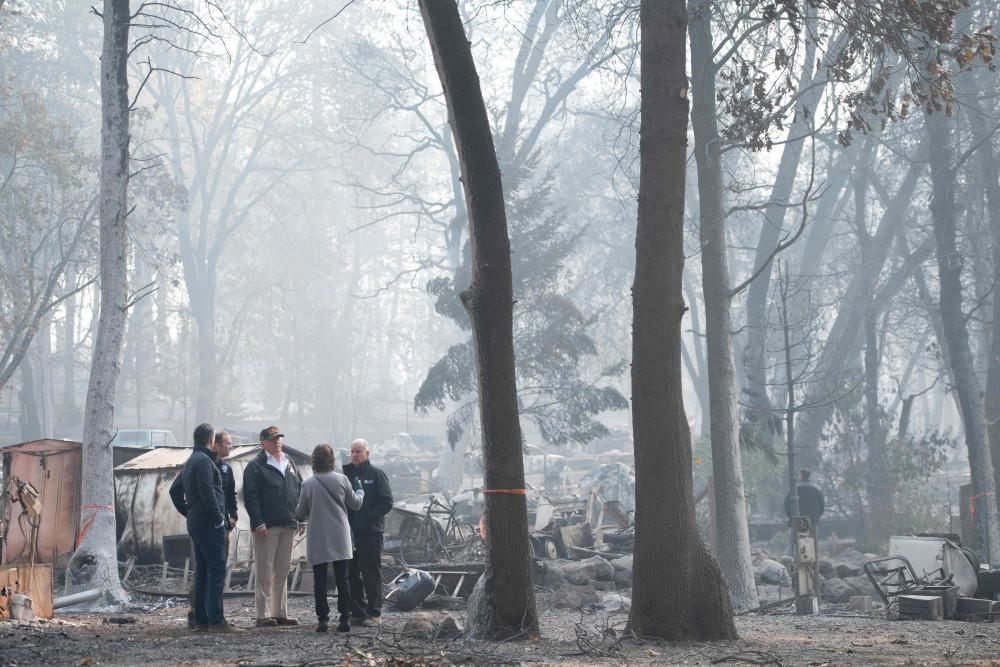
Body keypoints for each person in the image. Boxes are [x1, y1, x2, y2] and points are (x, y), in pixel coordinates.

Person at [168, 423, 243, 633]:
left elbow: (174, 491)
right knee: (215, 572)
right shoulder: (204, 463)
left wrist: (190, 512)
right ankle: (216, 621)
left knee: (202, 572)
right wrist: (219, 519)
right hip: (210, 526)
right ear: (210, 441)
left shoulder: (192, 461)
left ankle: (201, 620)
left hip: (198, 524)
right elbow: (208, 493)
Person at [295, 444, 364, 632]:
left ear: (314, 459)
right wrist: (360, 492)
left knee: (320, 580)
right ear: (332, 459)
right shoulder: (342, 480)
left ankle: (323, 620)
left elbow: (300, 512)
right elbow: (356, 505)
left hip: (318, 535)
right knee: (343, 578)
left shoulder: (308, 484)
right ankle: (345, 619)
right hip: (340, 535)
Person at [243, 425, 303, 628]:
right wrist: (257, 521)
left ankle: (280, 612)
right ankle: (263, 614)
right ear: (262, 443)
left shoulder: (290, 463)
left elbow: (299, 491)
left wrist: (300, 517)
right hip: (266, 526)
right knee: (265, 570)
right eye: (272, 439)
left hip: (289, 522)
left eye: (278, 438)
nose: (277, 441)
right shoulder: (255, 466)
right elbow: (250, 497)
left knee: (283, 569)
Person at [342, 438, 393, 623]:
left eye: (358, 451)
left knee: (371, 571)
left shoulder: (377, 475)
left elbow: (387, 502)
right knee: (352, 571)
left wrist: (368, 516)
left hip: (371, 532)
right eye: (353, 451)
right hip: (349, 532)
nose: (355, 455)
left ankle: (375, 612)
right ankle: (357, 611)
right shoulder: (344, 474)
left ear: (367, 453)